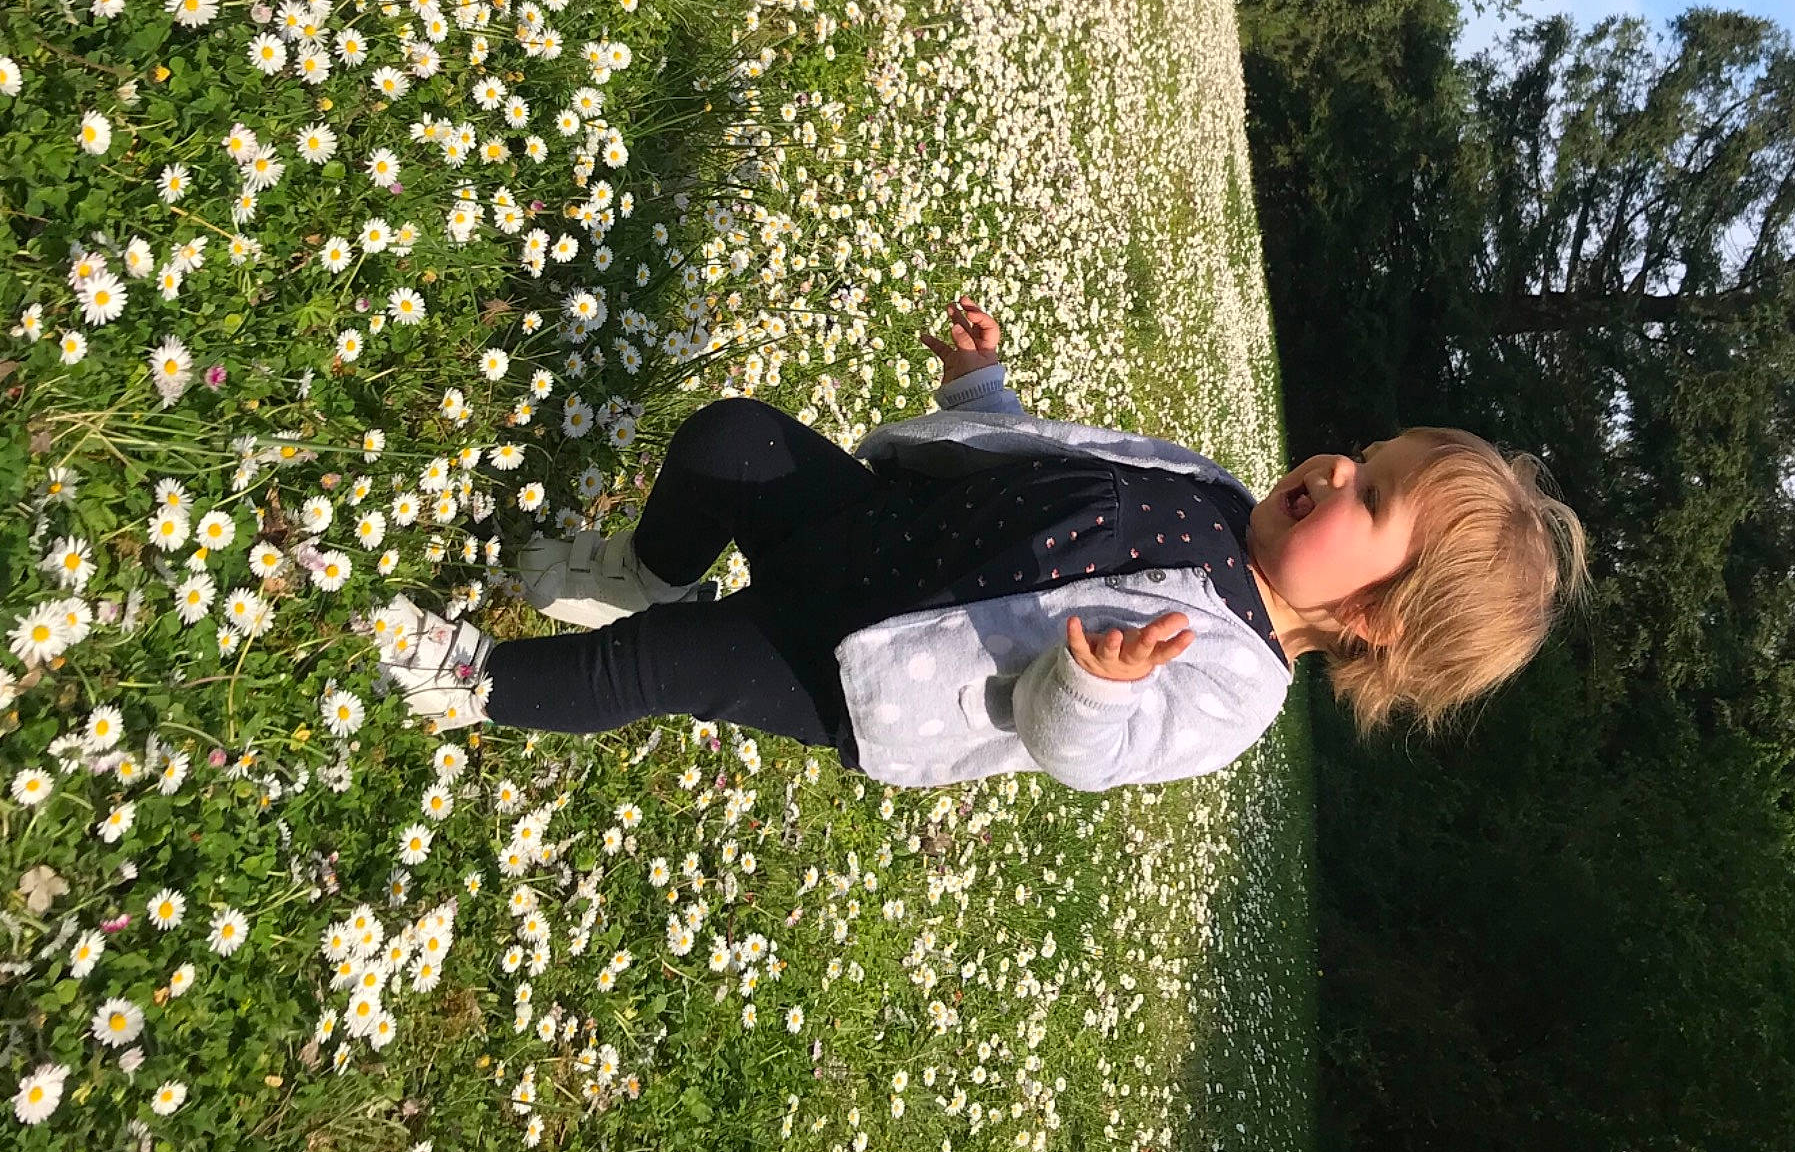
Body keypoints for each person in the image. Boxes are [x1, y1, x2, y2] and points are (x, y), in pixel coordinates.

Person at [371, 298, 1589, 789]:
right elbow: (1051, 470)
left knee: (659, 664)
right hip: (876, 528)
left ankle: (468, 677)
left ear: (1373, 615)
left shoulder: (1229, 686)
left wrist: (1093, 685)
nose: (1334, 469)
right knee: (730, 437)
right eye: (1363, 456)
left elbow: (1075, 751)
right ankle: (642, 568)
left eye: (1369, 500)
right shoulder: (1217, 494)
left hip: (861, 660)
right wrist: (980, 392)